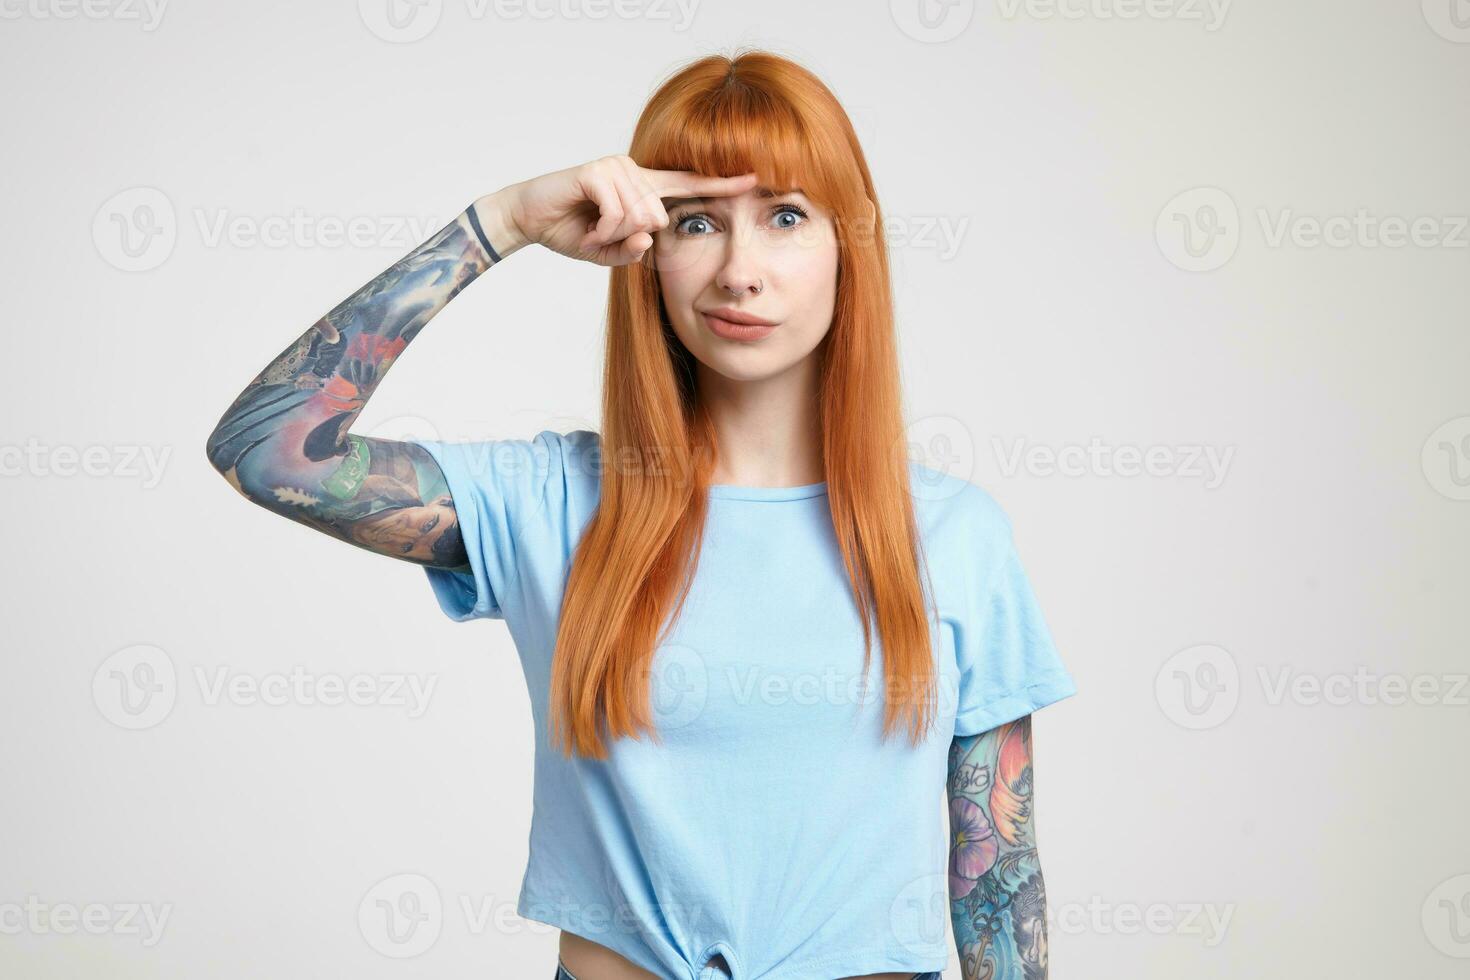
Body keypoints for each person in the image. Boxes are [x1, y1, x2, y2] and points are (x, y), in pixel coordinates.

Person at [206, 49, 1076, 980]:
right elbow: (271, 451)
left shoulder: (952, 536)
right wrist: (499, 222)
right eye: (697, 221)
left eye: (786, 217)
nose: (740, 271)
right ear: (647, 251)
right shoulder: (550, 501)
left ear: (846, 246)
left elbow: (997, 876)